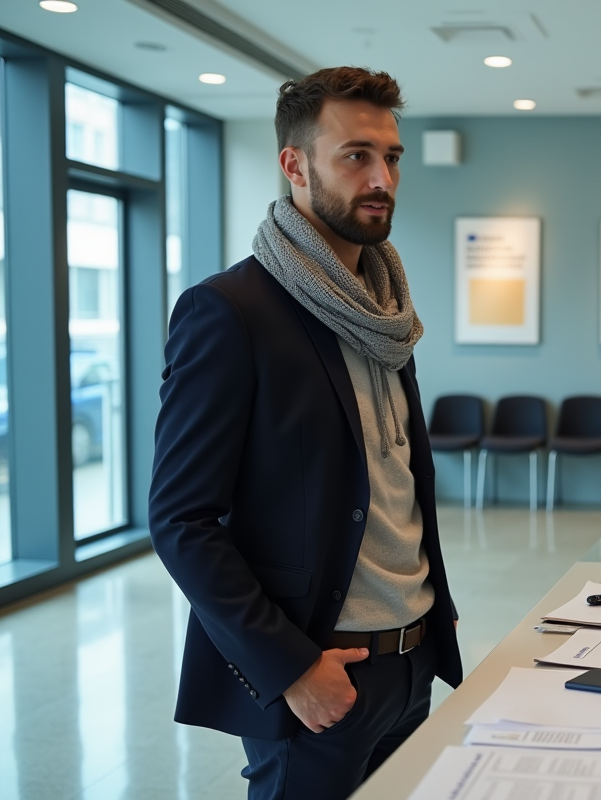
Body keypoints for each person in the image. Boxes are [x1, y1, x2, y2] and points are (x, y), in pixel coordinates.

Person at [149, 67, 462, 800]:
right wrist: (290, 669)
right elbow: (181, 520)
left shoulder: (386, 314)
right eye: (356, 155)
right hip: (321, 676)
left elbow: (393, 486)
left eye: (391, 157)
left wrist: (431, 625)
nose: (382, 178)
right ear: (294, 165)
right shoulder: (229, 311)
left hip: (413, 658)